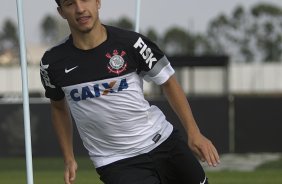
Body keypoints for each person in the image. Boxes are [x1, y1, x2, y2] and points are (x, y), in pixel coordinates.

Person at [40, 0, 220, 183]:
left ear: (98, 2)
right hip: (116, 162)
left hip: (164, 142)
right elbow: (59, 108)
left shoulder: (132, 43)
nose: (80, 9)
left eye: (86, 0)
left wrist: (194, 133)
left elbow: (168, 82)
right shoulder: (52, 63)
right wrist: (68, 157)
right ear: (61, 11)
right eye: (70, 3)